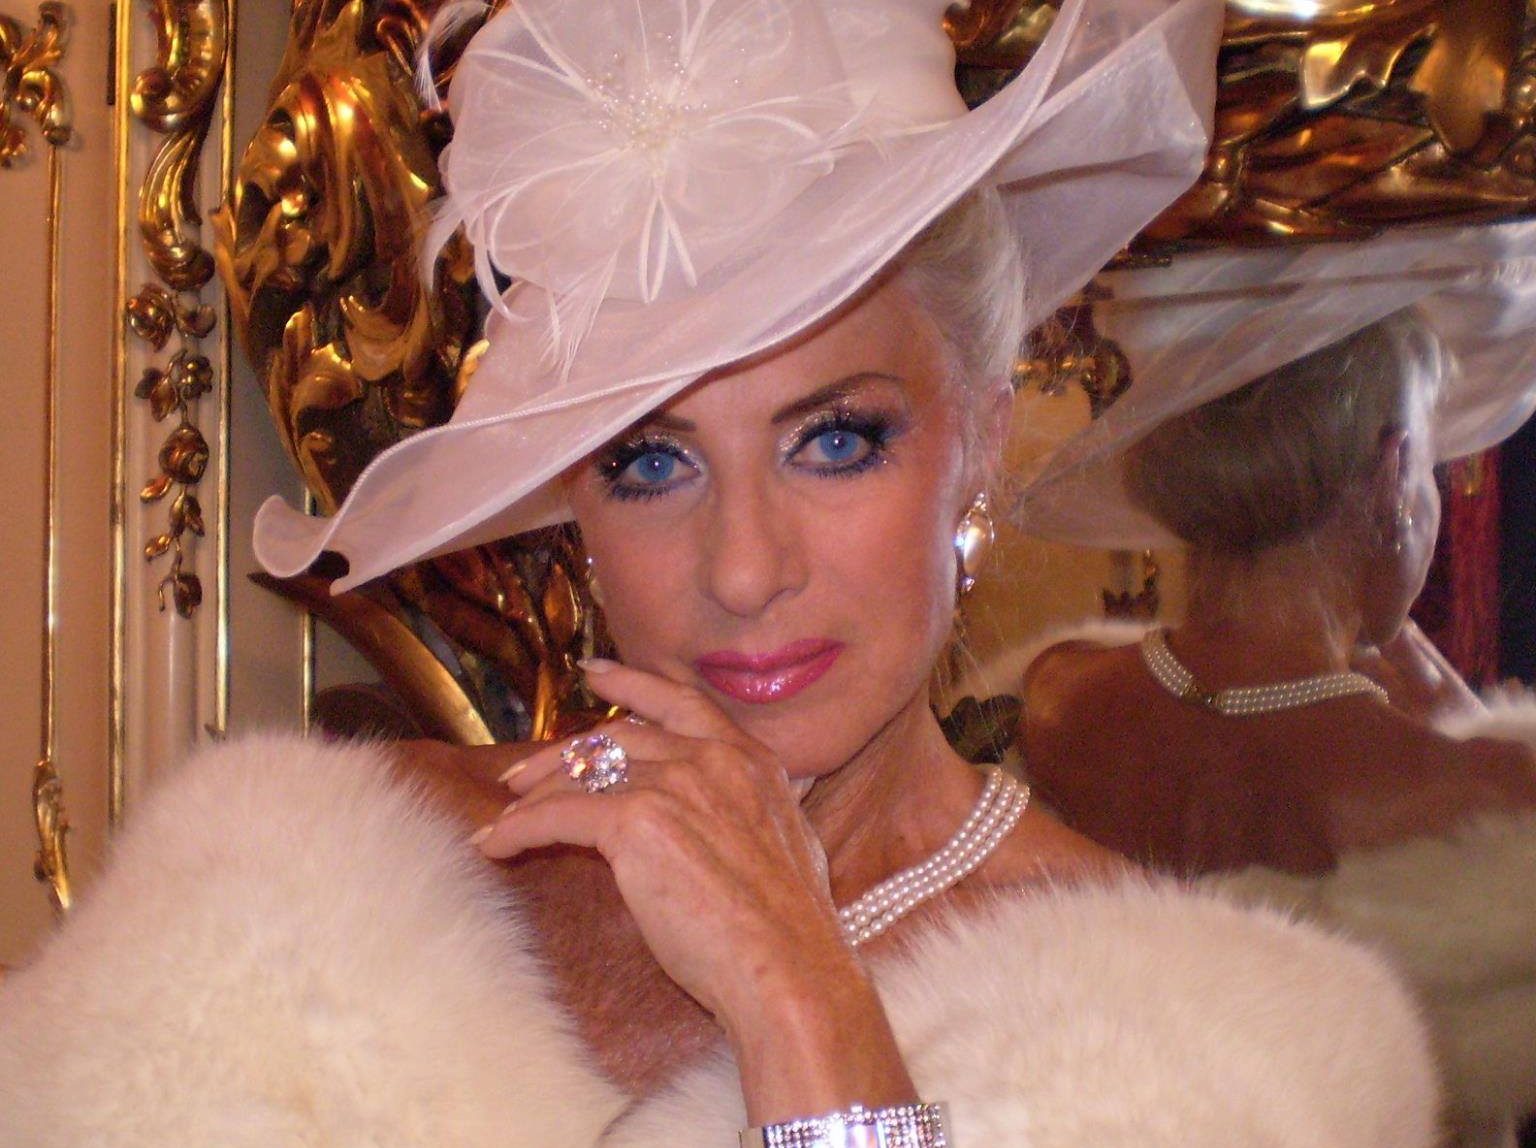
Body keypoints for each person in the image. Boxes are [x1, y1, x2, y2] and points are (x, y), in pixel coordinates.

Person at [0, 1, 1441, 1144]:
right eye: (651, 461)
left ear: (980, 441)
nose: (743, 570)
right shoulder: (315, 875)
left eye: (835, 440)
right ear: (570, 494)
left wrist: (804, 1009)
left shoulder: (1207, 1042)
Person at [1002, 230, 1536, 1146]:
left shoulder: (1049, 699)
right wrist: (1478, 741)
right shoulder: (1492, 809)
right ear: (1394, 474)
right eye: (1432, 470)